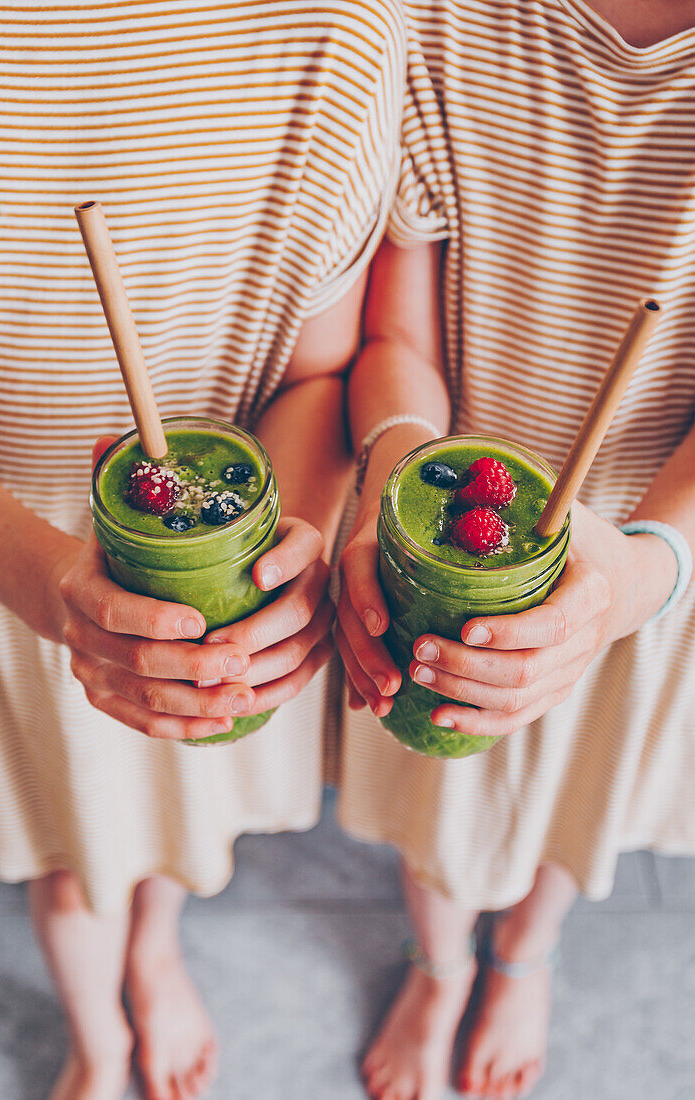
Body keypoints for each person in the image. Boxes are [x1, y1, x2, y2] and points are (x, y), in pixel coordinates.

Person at [0, 3, 405, 1098]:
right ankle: (95, 1037)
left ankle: (153, 949)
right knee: (68, 853)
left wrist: (272, 554)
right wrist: (39, 577)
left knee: (170, 818)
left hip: (211, 570)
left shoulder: (341, 34)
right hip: (0, 555)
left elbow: (315, 372)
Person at [336, 3, 695, 1098]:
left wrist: (639, 572)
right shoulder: (434, 21)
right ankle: (437, 956)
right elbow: (396, 338)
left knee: (591, 764)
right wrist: (396, 485)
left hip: (660, 525)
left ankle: (524, 948)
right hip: (449, 517)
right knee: (433, 765)